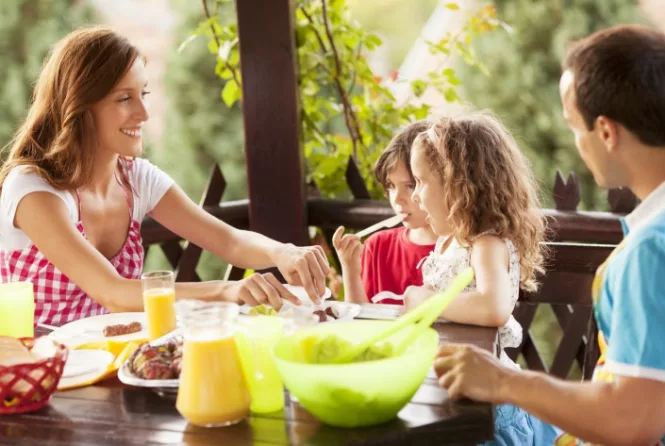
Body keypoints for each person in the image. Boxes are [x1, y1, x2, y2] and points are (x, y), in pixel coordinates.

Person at [0, 26, 329, 327]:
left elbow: (228, 240)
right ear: (79, 106)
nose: (143, 114)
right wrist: (226, 290)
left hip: (110, 363)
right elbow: (112, 291)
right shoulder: (33, 188)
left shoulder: (135, 179)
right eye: (124, 98)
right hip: (39, 374)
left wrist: (283, 252)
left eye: (143, 94)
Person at [433, 25, 665, 446]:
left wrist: (504, 381)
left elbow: (634, 421)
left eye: (575, 127)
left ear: (607, 132)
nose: (577, 143)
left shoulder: (650, 250)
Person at [404, 112, 555, 445]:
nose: (414, 196)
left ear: (459, 186)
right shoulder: (450, 240)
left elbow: (493, 307)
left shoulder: (486, 244)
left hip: (488, 412)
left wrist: (427, 301)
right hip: (453, 397)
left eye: (422, 181)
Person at [331, 121, 438, 305]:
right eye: (391, 186)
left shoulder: (459, 251)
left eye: (410, 185)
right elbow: (359, 323)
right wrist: (350, 269)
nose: (397, 199)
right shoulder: (378, 247)